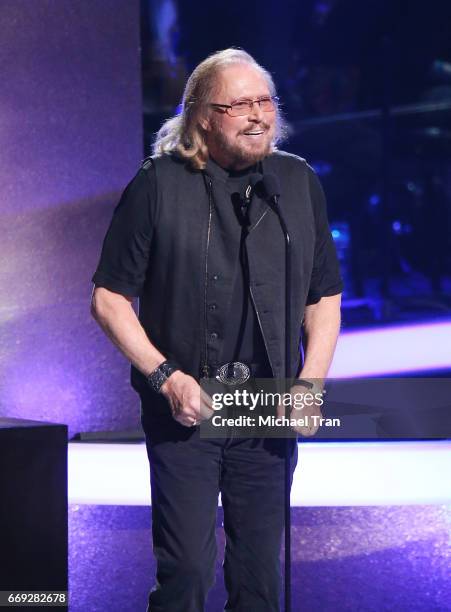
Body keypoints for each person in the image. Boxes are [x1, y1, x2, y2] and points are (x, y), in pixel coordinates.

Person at [91, 48, 342, 612]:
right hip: (189, 405)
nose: (259, 115)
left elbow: (323, 296)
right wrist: (165, 376)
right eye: (241, 104)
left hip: (265, 408)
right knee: (187, 570)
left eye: (265, 101)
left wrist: (310, 384)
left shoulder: (297, 182)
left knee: (259, 580)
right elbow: (108, 298)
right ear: (204, 114)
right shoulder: (158, 184)